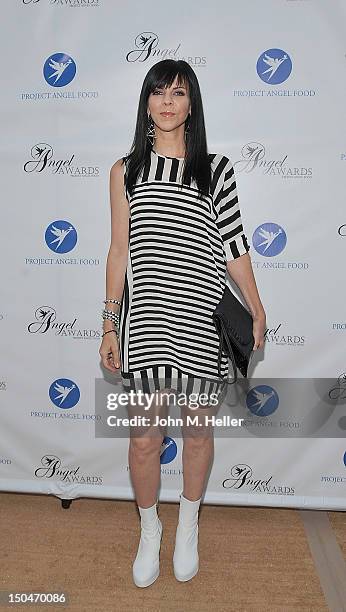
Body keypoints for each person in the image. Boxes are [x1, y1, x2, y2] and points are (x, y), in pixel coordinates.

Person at [99, 59, 266, 588]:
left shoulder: (216, 170)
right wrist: (109, 325)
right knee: (144, 439)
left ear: (192, 104)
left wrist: (257, 307)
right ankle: (150, 528)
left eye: (178, 92)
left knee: (198, 433)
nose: (168, 102)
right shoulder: (125, 170)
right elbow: (118, 252)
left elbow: (235, 246)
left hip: (201, 322)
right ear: (146, 103)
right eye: (158, 92)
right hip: (146, 324)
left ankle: (188, 522)